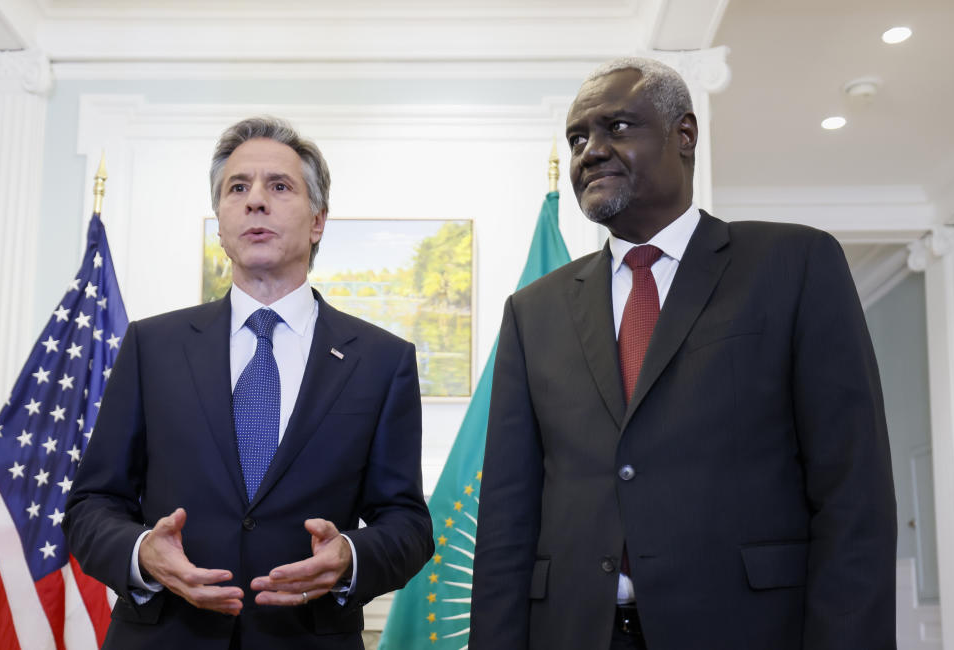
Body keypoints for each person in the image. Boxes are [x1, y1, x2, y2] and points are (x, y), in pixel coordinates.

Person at [470, 57, 896, 650]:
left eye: (616, 127)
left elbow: (853, 491)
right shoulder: (532, 311)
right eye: (577, 138)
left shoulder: (794, 265)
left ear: (685, 135)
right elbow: (506, 519)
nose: (591, 150)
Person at [65, 116, 434, 649]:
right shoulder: (152, 346)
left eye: (278, 186)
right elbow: (92, 504)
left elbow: (406, 523)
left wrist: (351, 557)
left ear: (317, 221)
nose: (254, 200)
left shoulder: (381, 360)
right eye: (237, 188)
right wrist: (142, 551)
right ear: (221, 222)